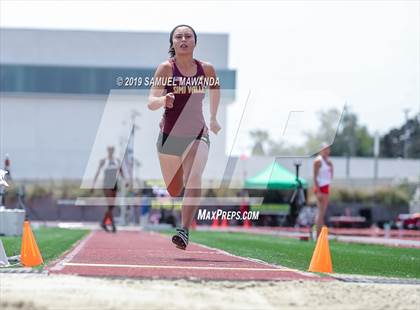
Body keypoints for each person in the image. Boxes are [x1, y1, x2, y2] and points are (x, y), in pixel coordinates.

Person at [148, 24, 221, 250]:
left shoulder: (206, 69)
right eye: (178, 36)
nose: (183, 39)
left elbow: (216, 90)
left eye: (188, 36)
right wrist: (163, 100)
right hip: (170, 136)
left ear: (194, 42)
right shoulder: (165, 69)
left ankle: (184, 230)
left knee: (195, 176)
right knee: (173, 189)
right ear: (172, 43)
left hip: (197, 133)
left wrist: (214, 118)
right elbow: (151, 101)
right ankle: (177, 175)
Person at [92, 146, 126, 233]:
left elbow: (121, 171)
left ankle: (103, 223)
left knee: (111, 206)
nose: (111, 152)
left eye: (112, 150)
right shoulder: (104, 161)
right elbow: (97, 172)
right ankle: (113, 224)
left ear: (113, 151)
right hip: (107, 185)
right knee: (110, 205)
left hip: (114, 184)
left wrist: (125, 180)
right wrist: (93, 184)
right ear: (107, 151)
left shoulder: (117, 161)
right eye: (109, 150)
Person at [313, 142, 334, 238]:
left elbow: (330, 176)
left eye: (328, 149)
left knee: (322, 212)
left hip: (326, 186)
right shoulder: (318, 161)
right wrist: (318, 191)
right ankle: (318, 235)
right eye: (324, 149)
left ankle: (319, 234)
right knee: (321, 212)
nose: (326, 151)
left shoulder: (328, 161)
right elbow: (315, 177)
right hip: (320, 187)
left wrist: (331, 167)